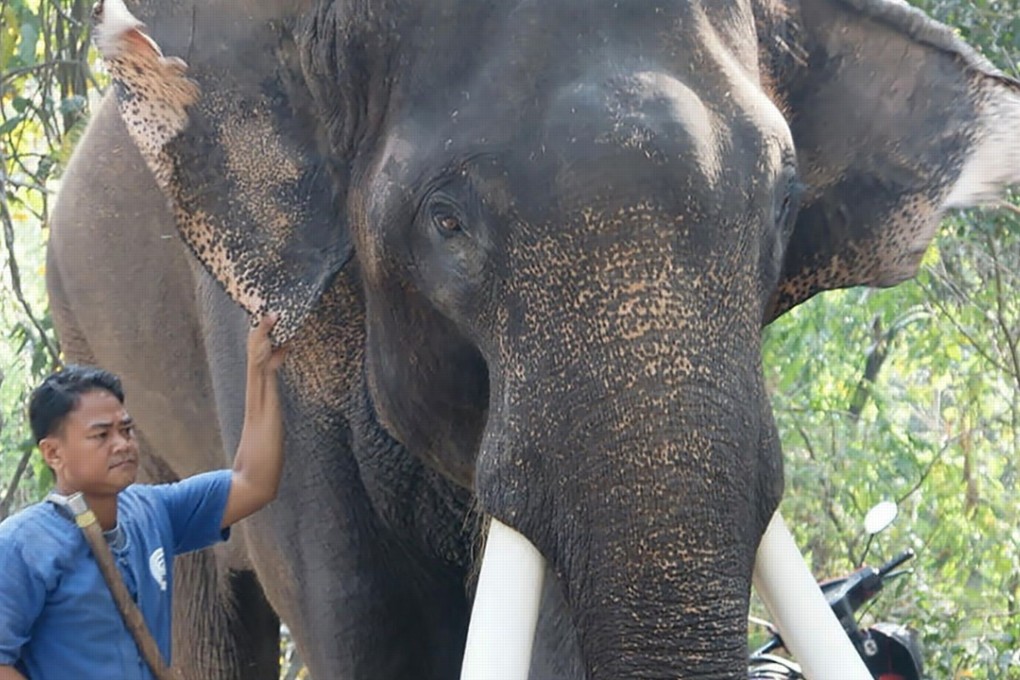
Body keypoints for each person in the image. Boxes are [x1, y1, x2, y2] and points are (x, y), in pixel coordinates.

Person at [0, 314, 288, 680]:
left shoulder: (153, 511)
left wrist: (260, 371)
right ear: (53, 453)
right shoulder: (21, 545)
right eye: (101, 435)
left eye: (126, 430)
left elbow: (254, 483)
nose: (122, 444)